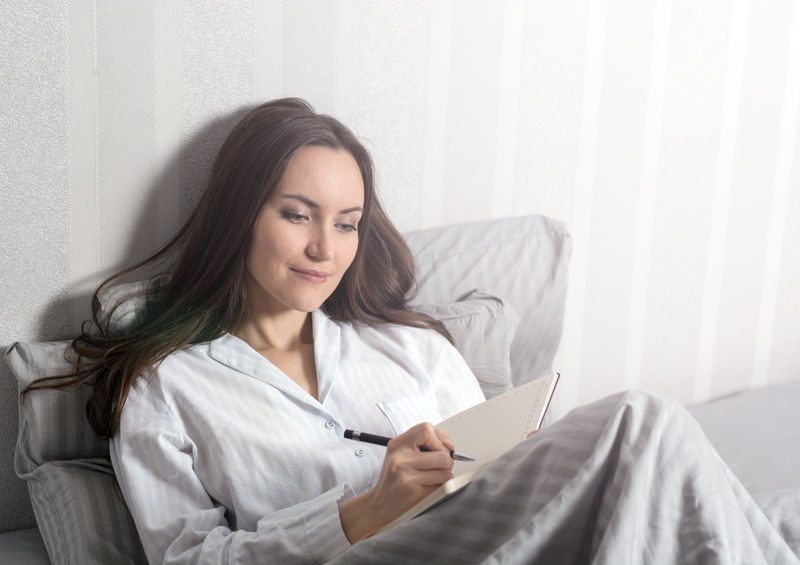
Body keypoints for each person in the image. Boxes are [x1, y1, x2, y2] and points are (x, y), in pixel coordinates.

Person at [25, 98, 798, 564]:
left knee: (648, 473)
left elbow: (504, 473)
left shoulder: (409, 347)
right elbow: (189, 558)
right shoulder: (166, 384)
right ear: (240, 215)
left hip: (499, 540)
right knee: (641, 420)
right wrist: (362, 509)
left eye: (347, 223)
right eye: (297, 215)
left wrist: (522, 455)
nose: (325, 248)